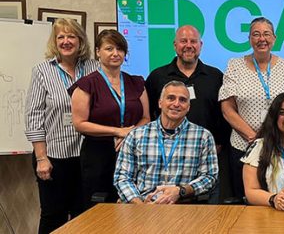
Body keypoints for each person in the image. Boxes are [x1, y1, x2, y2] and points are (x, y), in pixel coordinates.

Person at [25, 19, 98, 233]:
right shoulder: (42, 71)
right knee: (53, 215)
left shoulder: (94, 68)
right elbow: (34, 115)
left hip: (87, 156)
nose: (66, 41)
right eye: (61, 37)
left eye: (71, 36)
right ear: (54, 42)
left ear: (80, 40)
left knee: (84, 215)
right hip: (54, 156)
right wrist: (41, 158)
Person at [144, 25, 225, 202]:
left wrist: (218, 143)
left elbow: (223, 114)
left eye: (193, 41)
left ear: (200, 45)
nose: (188, 45)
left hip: (206, 155)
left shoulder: (216, 76)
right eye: (183, 41)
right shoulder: (157, 76)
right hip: (164, 159)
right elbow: (148, 113)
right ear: (175, 45)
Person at [70, 29, 150, 208]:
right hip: (98, 154)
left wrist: (129, 134)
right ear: (98, 51)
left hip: (132, 151)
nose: (115, 53)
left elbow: (146, 117)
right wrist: (117, 131)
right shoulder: (86, 84)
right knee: (99, 206)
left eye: (120, 49)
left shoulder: (137, 83)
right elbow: (79, 124)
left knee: (131, 206)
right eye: (109, 48)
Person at [220, 17, 284, 199]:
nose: (262, 39)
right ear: (249, 39)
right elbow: (227, 108)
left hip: (278, 145)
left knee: (277, 197)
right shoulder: (234, 65)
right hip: (243, 145)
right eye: (256, 34)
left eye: (266, 34)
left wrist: (267, 135)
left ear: (275, 38)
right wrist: (253, 137)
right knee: (245, 199)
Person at [114, 81, 218, 204]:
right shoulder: (137, 135)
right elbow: (122, 177)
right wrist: (139, 204)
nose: (176, 104)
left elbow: (209, 177)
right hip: (143, 205)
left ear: (188, 107)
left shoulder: (203, 137)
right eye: (171, 98)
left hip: (183, 206)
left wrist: (180, 191)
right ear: (160, 102)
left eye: (183, 100)